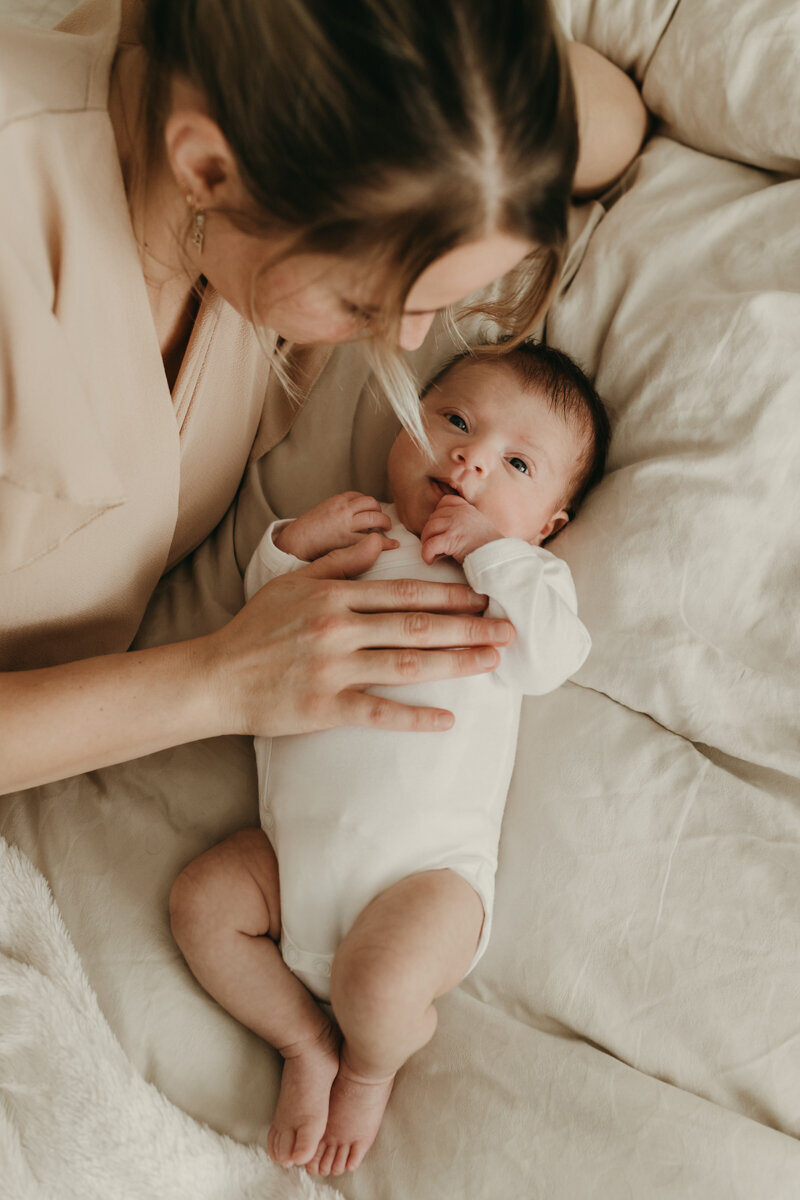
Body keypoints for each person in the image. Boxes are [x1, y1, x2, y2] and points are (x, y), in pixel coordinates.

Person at [0, 0, 646, 797]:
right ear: (207, 170)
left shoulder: (254, 133)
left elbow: (612, 124)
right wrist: (218, 680)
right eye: (369, 302)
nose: (411, 342)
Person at [169, 341, 611, 1178]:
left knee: (378, 990)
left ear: (550, 523)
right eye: (453, 421)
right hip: (286, 865)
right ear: (400, 434)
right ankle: (306, 1042)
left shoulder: (518, 583)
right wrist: (294, 545)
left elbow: (553, 656)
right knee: (201, 903)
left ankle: (369, 1064)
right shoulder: (365, 535)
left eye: (516, 462)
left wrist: (492, 551)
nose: (469, 457)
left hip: (426, 881)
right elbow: (264, 613)